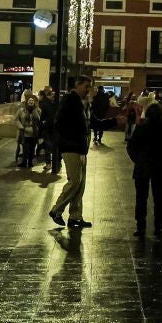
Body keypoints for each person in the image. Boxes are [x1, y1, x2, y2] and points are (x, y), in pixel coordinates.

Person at [128, 104, 162, 239]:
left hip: (142, 166)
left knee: (141, 198)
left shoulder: (141, 129)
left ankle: (141, 226)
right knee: (159, 198)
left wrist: (137, 160)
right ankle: (158, 227)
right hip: (159, 167)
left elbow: (131, 147)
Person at [49, 79, 93, 228]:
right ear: (78, 85)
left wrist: (113, 121)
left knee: (80, 184)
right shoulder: (69, 100)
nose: (88, 90)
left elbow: (89, 123)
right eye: (86, 87)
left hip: (80, 148)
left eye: (90, 88)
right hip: (72, 148)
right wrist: (72, 140)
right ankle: (56, 209)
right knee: (74, 181)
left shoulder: (81, 102)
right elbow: (60, 123)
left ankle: (75, 216)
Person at [39, 86, 62, 175]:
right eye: (52, 95)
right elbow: (42, 118)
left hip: (56, 129)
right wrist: (43, 125)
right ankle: (48, 163)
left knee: (57, 147)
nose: (54, 97)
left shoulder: (58, 105)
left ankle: (57, 162)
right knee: (48, 146)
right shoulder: (46, 105)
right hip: (47, 129)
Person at [15, 93, 42, 168]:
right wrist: (20, 127)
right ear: (27, 101)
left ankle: (30, 162)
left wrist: (36, 112)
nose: (31, 102)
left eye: (32, 100)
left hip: (34, 133)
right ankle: (24, 162)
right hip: (24, 132)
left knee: (32, 149)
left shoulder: (38, 110)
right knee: (25, 149)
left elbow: (40, 120)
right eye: (30, 100)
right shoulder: (21, 110)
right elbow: (16, 119)